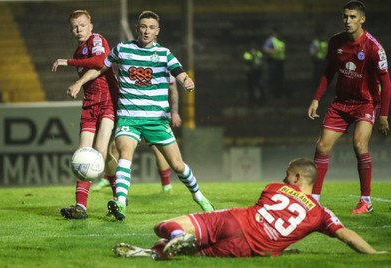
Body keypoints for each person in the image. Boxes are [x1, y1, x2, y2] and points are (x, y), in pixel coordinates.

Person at [68, 10, 215, 221]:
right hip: (129, 118)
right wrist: (80, 82)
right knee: (124, 154)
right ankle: (120, 203)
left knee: (178, 166)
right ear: (137, 28)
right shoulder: (122, 49)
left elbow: (178, 72)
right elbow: (101, 67)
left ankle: (200, 197)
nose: (147, 31)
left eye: (151, 28)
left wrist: (186, 81)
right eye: (143, 27)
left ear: (157, 31)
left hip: (156, 120)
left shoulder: (164, 53)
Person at [112, 158, 387, 259]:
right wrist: (375, 253)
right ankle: (155, 253)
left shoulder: (274, 188)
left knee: (163, 227)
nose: (283, 178)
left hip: (232, 221)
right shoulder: (321, 214)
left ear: (297, 179)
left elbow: (266, 213)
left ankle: (170, 239)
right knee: (192, 253)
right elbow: (346, 235)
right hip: (248, 249)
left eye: (287, 174)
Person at [307, 0, 391, 214]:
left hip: (366, 102)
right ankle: (314, 199)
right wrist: (316, 98)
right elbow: (328, 72)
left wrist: (383, 115)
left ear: (362, 19)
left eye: (352, 17)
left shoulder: (373, 47)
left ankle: (366, 201)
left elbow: (386, 82)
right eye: (345, 16)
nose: (347, 20)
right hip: (341, 103)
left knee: (359, 145)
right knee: (322, 147)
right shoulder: (336, 42)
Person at [51, 9, 119, 219]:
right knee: (85, 153)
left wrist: (75, 77)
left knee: (99, 152)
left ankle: (119, 201)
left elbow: (100, 62)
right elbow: (94, 68)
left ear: (91, 25)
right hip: (90, 105)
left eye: (82, 24)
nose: (78, 29)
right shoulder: (78, 52)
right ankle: (81, 207)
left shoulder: (97, 40)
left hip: (108, 102)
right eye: (74, 26)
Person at [92, 77, 182, 193]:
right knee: (115, 147)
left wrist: (174, 113)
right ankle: (108, 179)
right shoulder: (130, 62)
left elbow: (173, 89)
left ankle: (166, 185)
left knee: (157, 148)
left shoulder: (162, 60)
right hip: (132, 115)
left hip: (153, 115)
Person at [263, 27, 287, 99]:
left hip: (280, 63)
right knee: (273, 78)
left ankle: (278, 94)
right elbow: (266, 49)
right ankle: (272, 94)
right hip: (273, 62)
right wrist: (274, 51)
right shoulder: (271, 40)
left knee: (280, 79)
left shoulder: (281, 40)